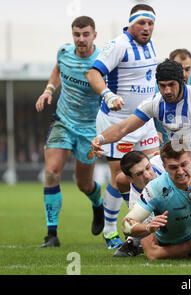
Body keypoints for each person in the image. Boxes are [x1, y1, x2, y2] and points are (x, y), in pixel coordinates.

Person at [85, 4, 160, 249]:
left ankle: (140, 231)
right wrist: (108, 95)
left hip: (144, 122)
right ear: (130, 24)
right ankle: (111, 231)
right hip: (117, 123)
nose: (146, 28)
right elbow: (93, 73)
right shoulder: (119, 45)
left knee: (151, 175)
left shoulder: (149, 45)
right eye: (142, 23)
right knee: (123, 178)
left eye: (150, 23)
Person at [35, 16, 104, 248]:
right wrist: (49, 90)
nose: (81, 39)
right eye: (77, 34)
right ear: (72, 35)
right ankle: (51, 235)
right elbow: (57, 70)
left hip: (89, 130)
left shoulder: (102, 60)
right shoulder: (64, 52)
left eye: (85, 34)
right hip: (63, 122)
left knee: (83, 184)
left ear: (94, 35)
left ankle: (98, 205)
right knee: (52, 172)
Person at [90, 59, 191, 168]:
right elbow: (122, 128)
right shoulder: (154, 102)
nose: (167, 90)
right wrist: (100, 138)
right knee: (123, 179)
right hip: (174, 161)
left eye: (171, 84)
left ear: (181, 82)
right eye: (162, 86)